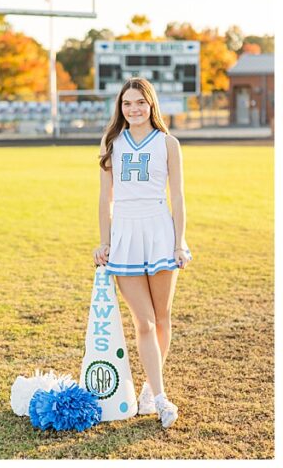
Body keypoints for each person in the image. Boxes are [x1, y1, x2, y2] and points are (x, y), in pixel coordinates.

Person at [93, 77, 191, 428]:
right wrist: (104, 241)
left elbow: (177, 197)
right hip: (126, 235)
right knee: (144, 321)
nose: (133, 109)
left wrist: (179, 242)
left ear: (151, 105)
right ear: (120, 108)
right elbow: (106, 199)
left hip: (160, 231)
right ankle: (162, 399)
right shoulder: (111, 142)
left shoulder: (168, 143)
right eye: (126, 103)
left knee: (162, 319)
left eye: (139, 102)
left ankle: (151, 389)